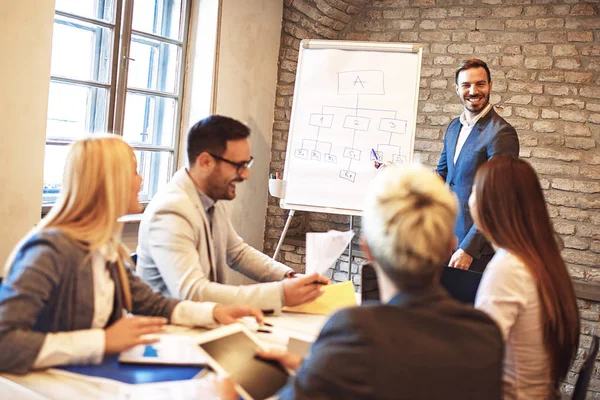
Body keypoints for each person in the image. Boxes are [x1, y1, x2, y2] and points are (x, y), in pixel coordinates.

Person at [0, 136, 263, 374]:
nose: (141, 180)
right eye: (134, 171)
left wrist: (214, 313)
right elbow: (5, 343)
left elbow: (152, 304)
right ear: (109, 182)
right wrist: (102, 341)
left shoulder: (106, 249)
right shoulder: (50, 251)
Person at [255, 164, 505, 399]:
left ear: (368, 250)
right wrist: (313, 371)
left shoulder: (355, 332)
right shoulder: (485, 334)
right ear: (449, 248)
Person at [137, 115, 328, 313]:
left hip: (204, 325)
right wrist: (280, 294)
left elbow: (237, 254)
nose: (246, 175)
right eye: (239, 166)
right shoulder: (171, 211)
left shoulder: (209, 197)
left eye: (247, 164)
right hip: (166, 335)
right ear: (205, 162)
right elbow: (192, 292)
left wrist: (288, 277)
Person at [472, 156, 580, 399]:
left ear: (489, 205)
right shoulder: (540, 259)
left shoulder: (508, 267)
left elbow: (475, 362)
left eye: (473, 192)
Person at [436, 58, 519, 272]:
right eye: (466, 85)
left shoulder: (501, 133)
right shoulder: (454, 127)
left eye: (480, 84)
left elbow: (497, 199)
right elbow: (442, 175)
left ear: (490, 85)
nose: (473, 91)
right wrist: (401, 176)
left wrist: (469, 249)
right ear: (457, 89)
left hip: (477, 251)